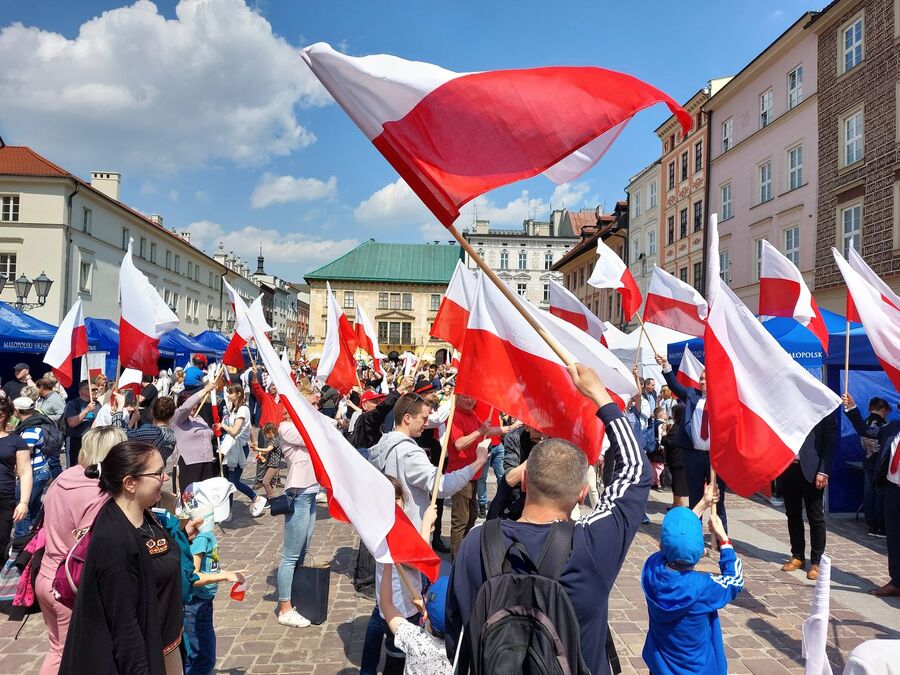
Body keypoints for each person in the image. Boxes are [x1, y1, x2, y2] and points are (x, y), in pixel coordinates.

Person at [446, 364, 651, 675]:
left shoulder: (476, 542)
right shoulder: (591, 545)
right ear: (582, 494)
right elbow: (636, 471)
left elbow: (456, 633)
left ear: (524, 481)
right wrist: (599, 396)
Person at [364, 393, 489, 674]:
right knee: (402, 613)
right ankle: (393, 663)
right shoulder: (408, 451)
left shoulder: (383, 443)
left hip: (389, 534)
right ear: (407, 418)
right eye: (422, 418)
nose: (426, 423)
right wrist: (477, 463)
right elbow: (440, 485)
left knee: (383, 607)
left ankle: (368, 667)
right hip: (408, 538)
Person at [59, 440, 185, 674]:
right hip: (143, 657)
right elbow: (124, 627)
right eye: (158, 473)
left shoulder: (145, 515)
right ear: (130, 483)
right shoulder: (115, 539)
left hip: (166, 644)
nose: (165, 478)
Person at [36, 425, 125, 675]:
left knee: (57, 650)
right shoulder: (98, 492)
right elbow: (90, 545)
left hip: (46, 574)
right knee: (70, 656)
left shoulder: (63, 478)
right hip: (69, 582)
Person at [641, 501, 743, 675]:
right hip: (698, 669)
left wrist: (703, 503)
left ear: (660, 547)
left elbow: (673, 541)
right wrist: (724, 540)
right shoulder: (704, 586)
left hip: (659, 667)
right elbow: (735, 580)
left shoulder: (652, 569)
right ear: (703, 552)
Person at [657, 354, 727, 531]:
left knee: (717, 499)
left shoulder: (722, 399)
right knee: (695, 499)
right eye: (701, 379)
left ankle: (721, 537)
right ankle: (694, 534)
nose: (702, 382)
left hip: (715, 458)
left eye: (706, 379)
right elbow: (674, 385)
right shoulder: (691, 395)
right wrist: (666, 365)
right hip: (693, 455)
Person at [842, 394, 900, 598]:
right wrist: (853, 409)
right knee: (893, 537)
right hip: (892, 489)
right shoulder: (892, 427)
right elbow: (867, 431)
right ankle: (896, 581)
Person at [275, 381, 322, 628]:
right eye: (313, 404)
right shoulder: (286, 427)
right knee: (291, 555)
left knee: (303, 551)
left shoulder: (304, 425)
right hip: (298, 492)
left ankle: (296, 598)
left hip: (311, 492)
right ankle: (284, 608)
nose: (317, 407)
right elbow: (314, 435)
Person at [184, 509, 245, 675]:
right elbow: (193, 576)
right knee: (202, 656)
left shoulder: (207, 534)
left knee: (205, 651)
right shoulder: (201, 538)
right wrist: (224, 576)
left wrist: (227, 573)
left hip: (204, 602)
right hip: (195, 604)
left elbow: (210, 565)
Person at [779, 415, 837, 580]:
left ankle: (816, 562)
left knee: (815, 517)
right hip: (789, 467)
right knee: (792, 514)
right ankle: (797, 555)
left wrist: (823, 470)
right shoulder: (790, 405)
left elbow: (829, 442)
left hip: (812, 471)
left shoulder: (823, 406)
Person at [447, 394, 501, 558]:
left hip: (473, 473)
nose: (470, 400)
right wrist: (480, 431)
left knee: (472, 515)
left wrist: (510, 428)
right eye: (465, 397)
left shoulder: (472, 415)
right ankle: (457, 558)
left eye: (472, 398)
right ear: (457, 399)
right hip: (460, 474)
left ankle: (463, 549)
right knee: (461, 519)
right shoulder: (455, 415)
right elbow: (459, 444)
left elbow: (486, 429)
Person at [378, 566, 451, 675]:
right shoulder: (461, 648)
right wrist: (425, 609)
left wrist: (388, 566)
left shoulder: (414, 639)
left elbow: (386, 605)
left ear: (425, 616)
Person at [11, 396, 54, 535]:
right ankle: (36, 535)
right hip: (42, 469)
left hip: (35, 471)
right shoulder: (38, 423)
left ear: (17, 411)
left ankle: (20, 538)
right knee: (35, 504)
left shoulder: (29, 430)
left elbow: (26, 453)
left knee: (23, 505)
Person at [218, 384, 263, 510]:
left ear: (238, 393)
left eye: (231, 393)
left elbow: (234, 431)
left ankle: (255, 497)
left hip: (239, 448)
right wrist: (254, 442)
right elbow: (249, 428)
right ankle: (228, 508)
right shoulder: (234, 409)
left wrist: (222, 425)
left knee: (233, 481)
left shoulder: (243, 409)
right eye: (228, 392)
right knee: (227, 480)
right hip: (232, 447)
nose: (229, 395)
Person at [853, 397, 891, 537]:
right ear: (883, 410)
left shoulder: (866, 422)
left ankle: (871, 524)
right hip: (879, 463)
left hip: (867, 459)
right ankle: (880, 526)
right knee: (879, 493)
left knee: (869, 492)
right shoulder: (883, 425)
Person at [0, 397, 32, 561]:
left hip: (4, 498)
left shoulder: (16, 441)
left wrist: (24, 502)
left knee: (1, 542)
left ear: (3, 415)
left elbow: (25, 471)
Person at [171, 382, 219, 491]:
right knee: (190, 497)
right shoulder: (177, 419)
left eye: (196, 404)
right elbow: (186, 407)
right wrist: (205, 390)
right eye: (192, 403)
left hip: (207, 462)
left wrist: (214, 430)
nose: (194, 406)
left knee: (205, 497)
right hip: (189, 463)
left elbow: (207, 436)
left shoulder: (199, 418)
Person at [64, 380, 98, 468]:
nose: (96, 392)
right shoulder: (73, 404)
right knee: (74, 466)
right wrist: (86, 410)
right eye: (93, 389)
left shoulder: (97, 404)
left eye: (96, 389)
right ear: (82, 391)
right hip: (76, 440)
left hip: (91, 441)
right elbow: (71, 423)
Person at [662, 403, 689, 508]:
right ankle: (675, 505)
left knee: (680, 487)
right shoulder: (680, 425)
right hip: (677, 460)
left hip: (679, 461)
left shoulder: (678, 427)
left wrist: (664, 434)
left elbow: (670, 442)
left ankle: (682, 509)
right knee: (675, 485)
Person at [250, 422, 282, 507]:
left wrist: (257, 448)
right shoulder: (272, 439)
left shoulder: (274, 440)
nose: (266, 436)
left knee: (265, 482)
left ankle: (271, 499)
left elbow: (268, 449)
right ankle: (271, 498)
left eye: (266, 434)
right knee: (269, 482)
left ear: (270, 432)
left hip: (273, 465)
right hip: (270, 464)